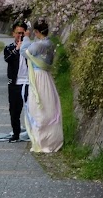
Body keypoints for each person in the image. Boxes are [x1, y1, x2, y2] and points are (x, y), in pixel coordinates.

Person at [23, 20, 63, 152]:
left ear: (37, 32)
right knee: (49, 106)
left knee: (37, 107)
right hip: (47, 77)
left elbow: (24, 51)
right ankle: (51, 140)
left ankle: (42, 140)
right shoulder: (50, 44)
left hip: (37, 77)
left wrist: (26, 37)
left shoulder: (38, 45)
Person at [0, 22, 28, 143]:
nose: (20, 36)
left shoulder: (30, 47)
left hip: (28, 83)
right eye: (18, 33)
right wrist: (17, 49)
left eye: (22, 33)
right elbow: (8, 60)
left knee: (31, 110)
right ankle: (16, 134)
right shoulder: (9, 48)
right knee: (14, 110)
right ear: (13, 33)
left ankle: (34, 133)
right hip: (14, 83)